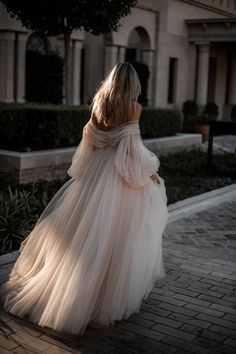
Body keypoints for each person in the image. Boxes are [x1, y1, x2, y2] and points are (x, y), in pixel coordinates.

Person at [0, 62, 169, 335]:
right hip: (116, 175)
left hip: (95, 174)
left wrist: (87, 174)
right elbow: (131, 149)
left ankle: (74, 288)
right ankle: (101, 295)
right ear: (133, 84)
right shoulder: (132, 108)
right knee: (116, 236)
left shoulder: (100, 104)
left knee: (86, 236)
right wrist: (150, 174)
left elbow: (88, 141)